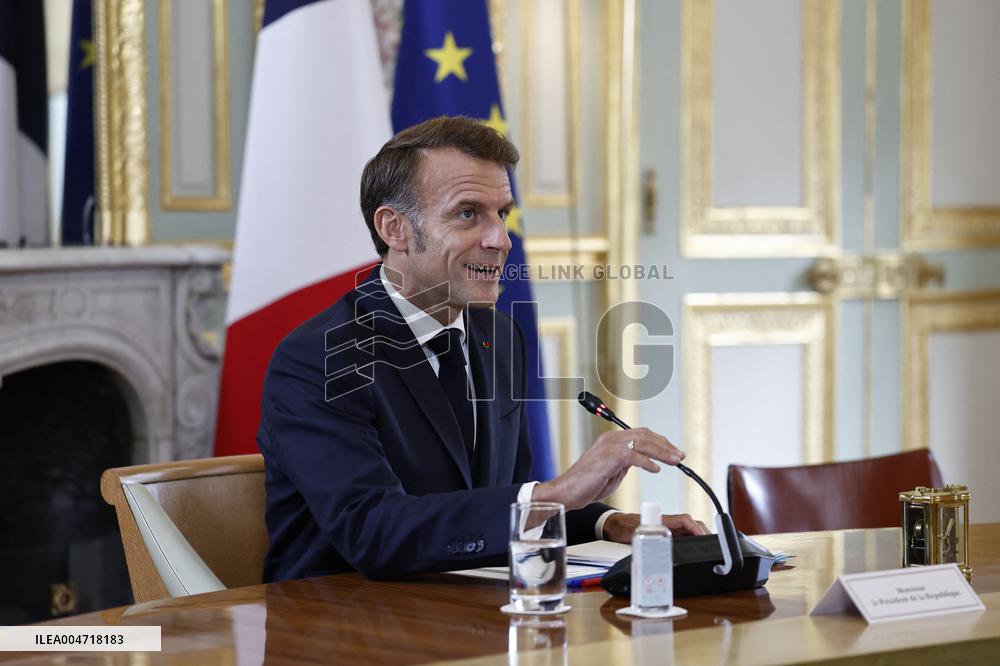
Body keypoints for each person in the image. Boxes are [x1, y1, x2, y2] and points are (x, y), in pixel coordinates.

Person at [259, 116, 706, 582]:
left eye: (502, 213)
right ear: (395, 229)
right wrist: (554, 494)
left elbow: (499, 499)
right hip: (339, 630)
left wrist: (607, 522)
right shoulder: (319, 358)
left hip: (472, 615)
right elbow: (374, 530)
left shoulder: (499, 337)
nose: (501, 239)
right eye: (468, 213)